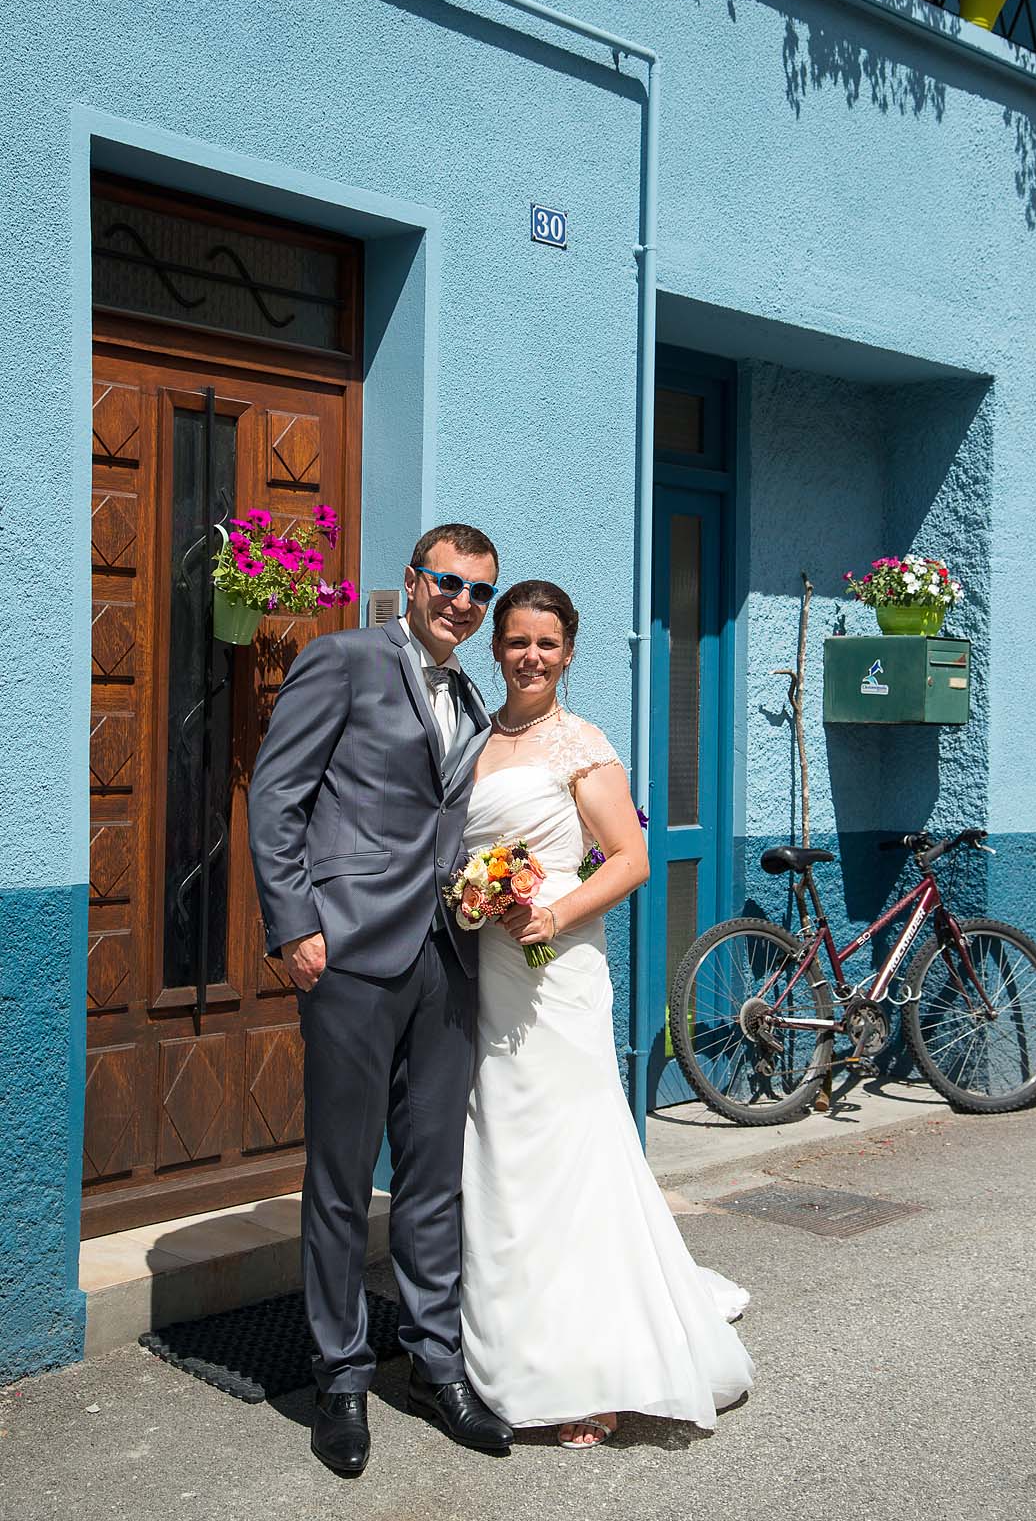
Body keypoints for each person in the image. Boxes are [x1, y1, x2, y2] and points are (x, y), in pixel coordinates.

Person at [460, 580, 754, 1447]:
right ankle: (504, 1343)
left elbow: (630, 859)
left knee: (570, 1151)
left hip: (557, 972)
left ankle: (597, 1364)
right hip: (490, 970)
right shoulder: (478, 741)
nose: (531, 657)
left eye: (547, 644)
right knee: (503, 1150)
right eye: (517, 641)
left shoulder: (580, 744)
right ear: (497, 647)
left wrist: (551, 912)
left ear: (570, 652)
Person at [247, 524, 513, 1476]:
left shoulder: (476, 696)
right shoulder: (346, 659)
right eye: (449, 584)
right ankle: (340, 1378)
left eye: (480, 593)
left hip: (448, 955)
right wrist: (294, 923)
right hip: (352, 953)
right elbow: (278, 795)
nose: (464, 604)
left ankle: (434, 1364)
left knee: (433, 1171)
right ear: (412, 581)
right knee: (342, 1173)